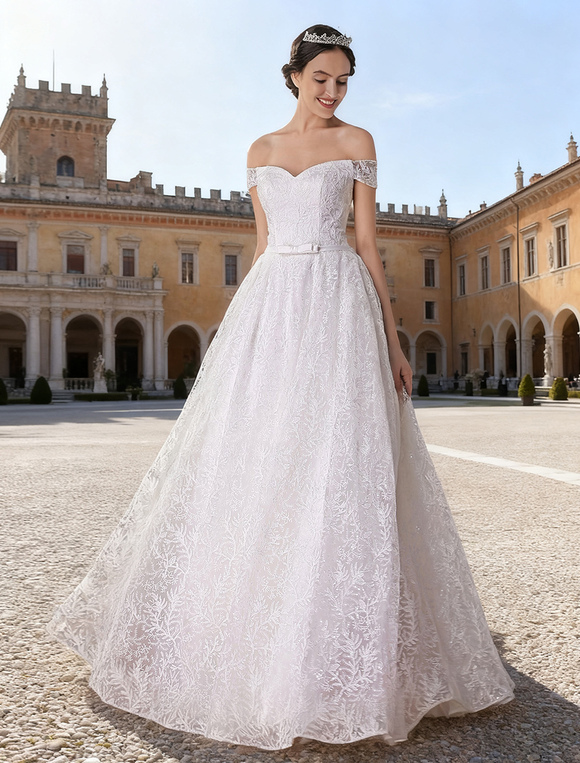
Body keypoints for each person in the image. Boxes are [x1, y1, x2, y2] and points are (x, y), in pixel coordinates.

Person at [47, 24, 515, 751]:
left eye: (343, 81)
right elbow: (262, 247)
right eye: (321, 77)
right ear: (294, 75)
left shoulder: (357, 141)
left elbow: (367, 245)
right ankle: (258, 623)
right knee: (264, 454)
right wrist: (241, 335)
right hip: (275, 300)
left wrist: (393, 341)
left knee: (342, 459)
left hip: (338, 300)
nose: (332, 92)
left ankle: (345, 639)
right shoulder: (260, 152)